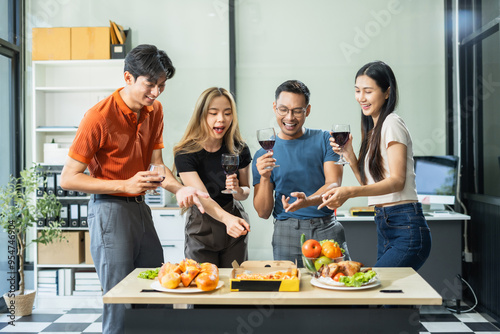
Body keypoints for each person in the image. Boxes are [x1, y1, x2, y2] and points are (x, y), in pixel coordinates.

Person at [60, 44, 209, 334]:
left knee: (156, 286)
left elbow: (157, 165)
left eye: (162, 85)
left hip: (141, 208)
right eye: (150, 84)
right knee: (120, 297)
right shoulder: (98, 117)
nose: (156, 93)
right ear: (128, 78)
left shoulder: (155, 111)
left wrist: (178, 189)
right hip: (108, 209)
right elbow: (68, 178)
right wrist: (125, 185)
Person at [319, 61, 432, 270]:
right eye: (357, 91)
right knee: (393, 297)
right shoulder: (374, 130)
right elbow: (372, 186)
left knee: (381, 293)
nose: (361, 97)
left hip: (404, 223)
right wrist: (350, 155)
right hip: (386, 223)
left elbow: (397, 182)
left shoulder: (392, 123)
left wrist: (350, 192)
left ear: (387, 92)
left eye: (368, 91)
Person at [252, 80, 350, 267]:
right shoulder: (262, 155)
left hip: (326, 227)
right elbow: (263, 212)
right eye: (283, 109)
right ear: (274, 107)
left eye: (298, 110)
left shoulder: (325, 139)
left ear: (308, 110)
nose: (290, 117)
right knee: (291, 290)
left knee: (338, 284)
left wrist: (308, 201)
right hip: (286, 231)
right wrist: (264, 177)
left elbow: (333, 184)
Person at [173, 87, 251, 267]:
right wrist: (227, 219)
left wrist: (238, 189)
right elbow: (202, 198)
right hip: (202, 225)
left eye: (227, 113)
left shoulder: (239, 148)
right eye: (213, 113)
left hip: (234, 218)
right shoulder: (185, 153)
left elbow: (245, 192)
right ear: (201, 115)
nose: (221, 119)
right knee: (202, 285)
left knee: (235, 284)